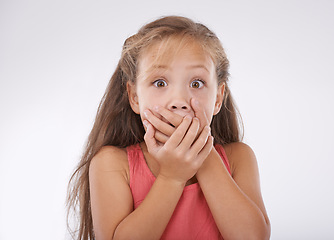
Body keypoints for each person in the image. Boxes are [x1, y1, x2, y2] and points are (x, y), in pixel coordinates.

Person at [67, 15, 271, 240]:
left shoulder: (238, 158)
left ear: (217, 98)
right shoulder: (111, 163)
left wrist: (202, 155)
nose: (179, 100)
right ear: (134, 97)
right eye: (160, 83)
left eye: (196, 83)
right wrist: (172, 177)